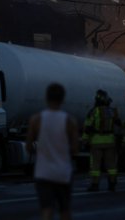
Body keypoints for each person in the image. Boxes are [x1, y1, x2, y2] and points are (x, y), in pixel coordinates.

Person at [26, 83, 78, 220]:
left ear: (46, 98)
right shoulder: (69, 121)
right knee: (65, 210)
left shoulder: (36, 119)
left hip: (43, 173)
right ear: (63, 99)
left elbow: (29, 146)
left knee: (46, 210)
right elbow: (75, 149)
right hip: (63, 173)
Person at [82, 89, 120, 192]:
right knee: (111, 165)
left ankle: (95, 184)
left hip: (97, 141)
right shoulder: (112, 111)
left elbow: (87, 127)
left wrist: (85, 141)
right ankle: (112, 184)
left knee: (95, 165)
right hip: (110, 141)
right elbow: (119, 124)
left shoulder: (94, 111)